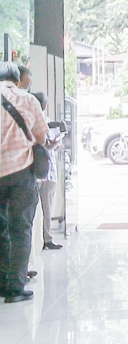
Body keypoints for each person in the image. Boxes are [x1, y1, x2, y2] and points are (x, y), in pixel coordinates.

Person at [0, 61, 47, 303]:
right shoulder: (28, 100)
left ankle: (0, 281)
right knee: (20, 229)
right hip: (20, 173)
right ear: (16, 80)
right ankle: (15, 287)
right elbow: (41, 134)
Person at [17, 65, 61, 251]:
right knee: (45, 207)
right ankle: (45, 239)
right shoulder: (41, 119)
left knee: (33, 209)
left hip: (31, 169)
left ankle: (38, 242)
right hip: (44, 169)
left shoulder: (27, 118)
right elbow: (46, 140)